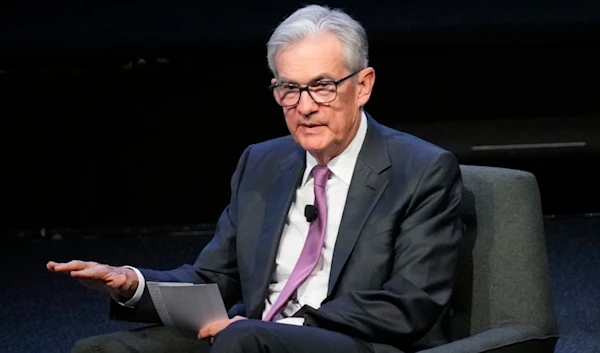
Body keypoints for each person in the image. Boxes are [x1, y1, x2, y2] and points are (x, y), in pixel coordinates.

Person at [48, 4, 463, 353]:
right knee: (103, 351)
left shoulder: (421, 169)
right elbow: (216, 279)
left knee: (243, 338)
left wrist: (285, 328)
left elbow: (410, 302)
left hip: (353, 342)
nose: (304, 106)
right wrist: (132, 282)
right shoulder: (262, 162)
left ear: (363, 86)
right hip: (249, 335)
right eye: (289, 89)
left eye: (322, 87)